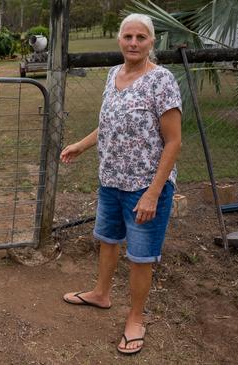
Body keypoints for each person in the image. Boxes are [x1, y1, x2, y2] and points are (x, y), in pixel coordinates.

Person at [60, 13, 182, 355]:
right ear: (119, 40)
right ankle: (101, 294)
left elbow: (173, 142)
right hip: (110, 179)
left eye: (140, 37)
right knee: (108, 240)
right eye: (127, 36)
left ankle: (136, 318)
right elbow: (109, 124)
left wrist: (153, 194)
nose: (133, 43)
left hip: (145, 187)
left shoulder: (162, 80)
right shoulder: (114, 74)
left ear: (151, 42)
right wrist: (82, 145)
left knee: (140, 256)